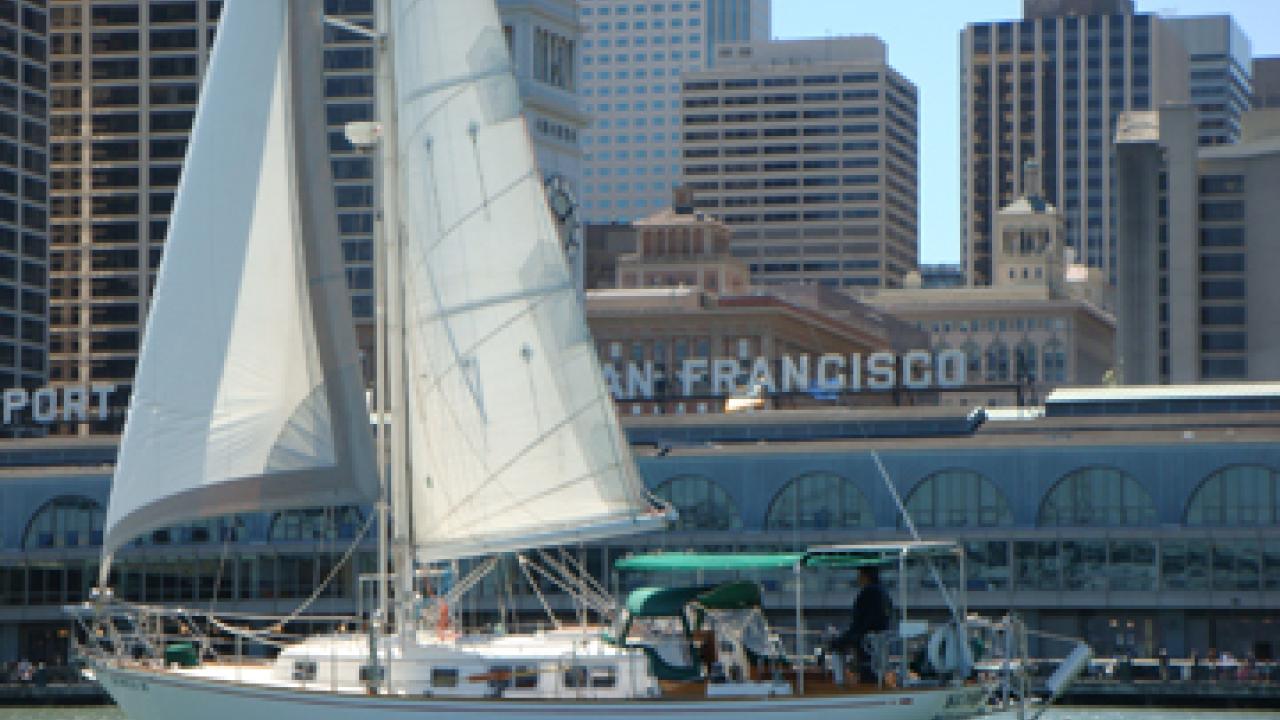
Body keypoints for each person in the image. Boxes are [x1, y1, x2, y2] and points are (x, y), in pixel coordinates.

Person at [831, 566, 893, 679]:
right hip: (879, 645)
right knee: (875, 674)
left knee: (867, 674)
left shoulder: (868, 593)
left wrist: (840, 641)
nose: (858, 578)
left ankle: (841, 682)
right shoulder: (884, 593)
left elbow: (861, 624)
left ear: (865, 576)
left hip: (867, 645)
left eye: (859, 575)